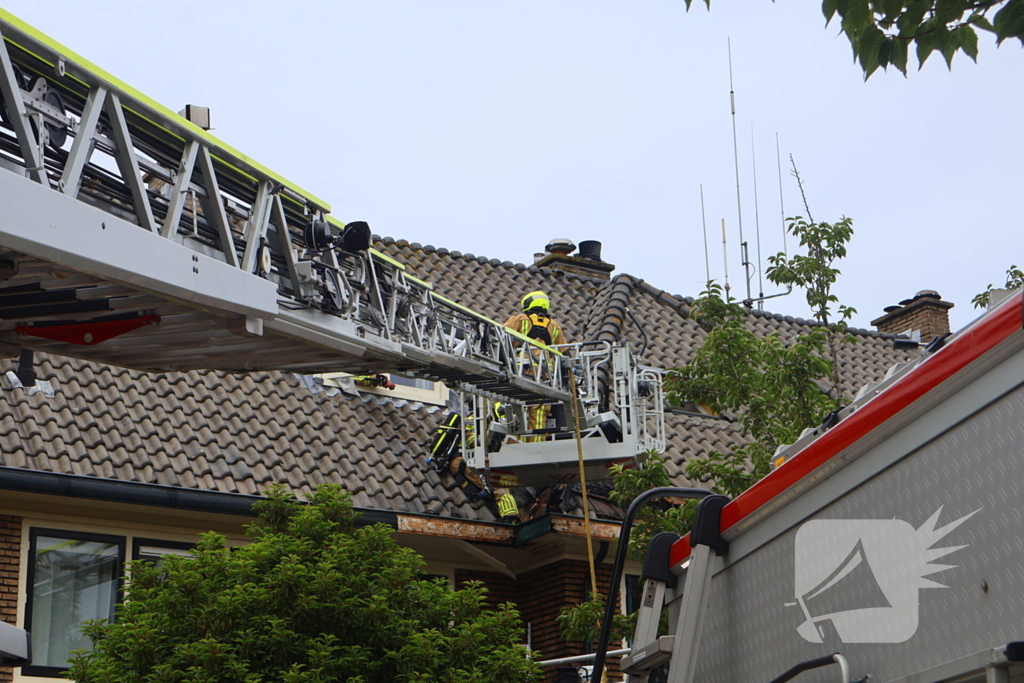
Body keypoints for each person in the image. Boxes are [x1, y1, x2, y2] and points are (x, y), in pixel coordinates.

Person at [503, 290, 568, 439]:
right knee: (539, 414)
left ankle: (517, 443)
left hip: (521, 374)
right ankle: (536, 444)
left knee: (516, 411)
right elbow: (564, 353)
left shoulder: (520, 319)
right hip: (545, 379)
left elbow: (500, 337)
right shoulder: (554, 326)